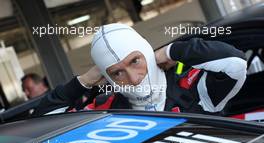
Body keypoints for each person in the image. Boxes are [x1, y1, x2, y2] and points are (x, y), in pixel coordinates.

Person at [32, 23, 247, 116]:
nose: (133, 79)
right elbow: (43, 125)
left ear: (147, 52)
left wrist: (171, 51)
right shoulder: (107, 109)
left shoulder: (192, 88)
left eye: (135, 60)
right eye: (117, 72)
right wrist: (84, 81)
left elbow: (235, 62)